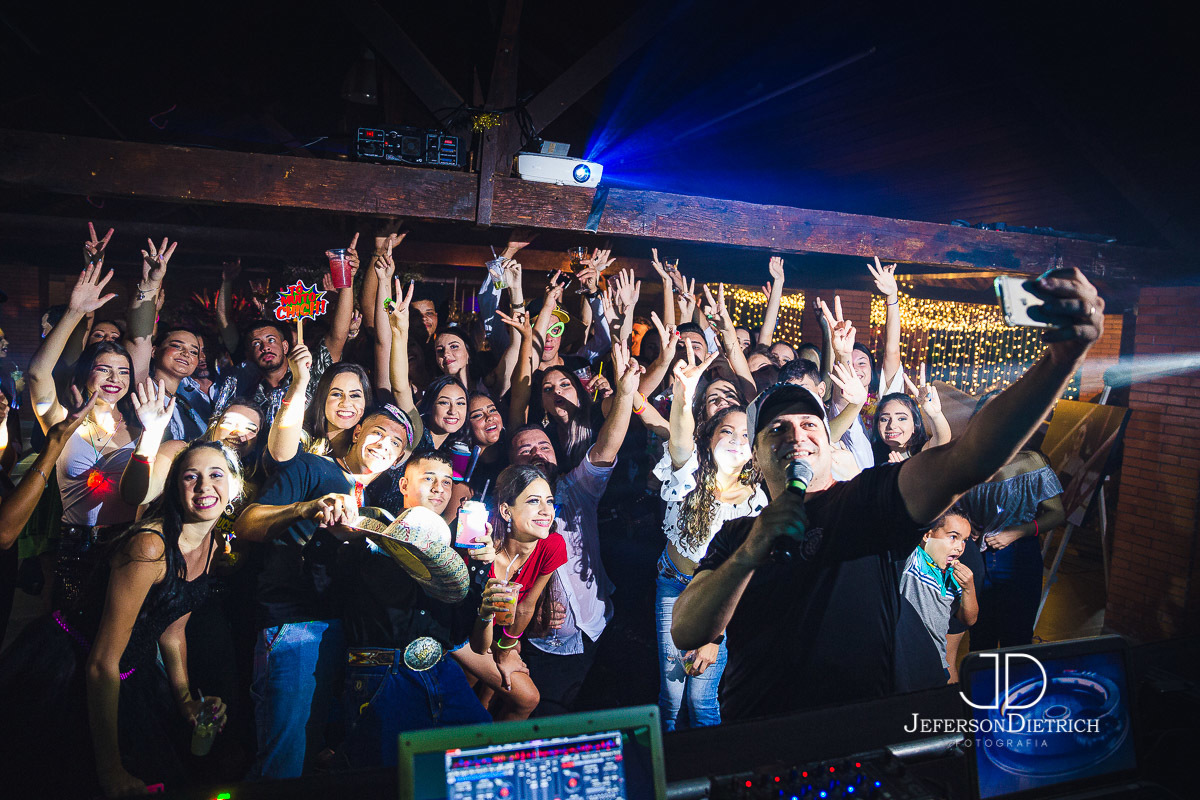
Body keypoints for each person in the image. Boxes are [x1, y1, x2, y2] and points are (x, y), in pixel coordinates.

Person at [671, 267, 1105, 719]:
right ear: (757, 456)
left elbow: (971, 456)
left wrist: (1060, 362)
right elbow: (686, 629)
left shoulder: (866, 501)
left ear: (829, 440)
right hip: (760, 731)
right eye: (777, 428)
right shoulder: (737, 535)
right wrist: (750, 552)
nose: (796, 436)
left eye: (809, 423)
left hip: (858, 729)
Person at [0, 440, 240, 797]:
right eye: (191, 477)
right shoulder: (150, 547)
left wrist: (186, 699)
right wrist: (111, 770)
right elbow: (102, 662)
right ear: (175, 489)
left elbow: (173, 632)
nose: (204, 486)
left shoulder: (213, 545)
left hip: (130, 672)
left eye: (216, 475)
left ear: (234, 486)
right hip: (75, 665)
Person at [232, 405, 413, 778]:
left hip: (340, 634)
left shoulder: (377, 503)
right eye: (378, 432)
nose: (385, 444)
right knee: (284, 761)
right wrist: (304, 508)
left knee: (308, 759)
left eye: (396, 443)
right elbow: (246, 522)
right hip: (295, 626)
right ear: (358, 431)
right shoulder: (312, 467)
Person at [507, 340, 643, 716]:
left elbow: (605, 448)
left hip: (600, 629)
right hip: (547, 647)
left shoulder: (576, 487)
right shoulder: (501, 515)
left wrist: (625, 394)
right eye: (525, 450)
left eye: (543, 447)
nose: (537, 453)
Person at [337, 450, 495, 767]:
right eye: (429, 478)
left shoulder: (456, 549)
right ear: (404, 485)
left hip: (442, 671)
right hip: (385, 674)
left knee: (480, 754)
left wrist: (478, 569)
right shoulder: (365, 542)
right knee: (387, 776)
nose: (439, 488)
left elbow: (457, 633)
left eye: (447, 482)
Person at [652, 345, 765, 730]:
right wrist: (683, 399)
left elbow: (743, 577)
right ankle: (666, 766)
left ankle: (709, 767)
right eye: (726, 431)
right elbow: (680, 443)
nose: (735, 439)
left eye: (745, 435)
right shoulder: (692, 470)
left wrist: (714, 637)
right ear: (710, 437)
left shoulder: (757, 499)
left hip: (719, 601)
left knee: (702, 702)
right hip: (674, 585)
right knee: (671, 699)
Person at [28, 263, 142, 604]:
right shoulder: (62, 421)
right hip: (76, 547)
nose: (115, 378)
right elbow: (37, 375)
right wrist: (75, 312)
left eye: (123, 372)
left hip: (130, 546)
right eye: (103, 369)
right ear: (84, 374)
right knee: (69, 626)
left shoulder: (139, 427)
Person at [453, 463, 567, 720]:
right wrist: (502, 651)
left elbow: (526, 607)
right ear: (506, 511)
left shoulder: (552, 545)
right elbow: (462, 613)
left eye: (549, 501)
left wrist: (506, 649)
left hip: (491, 634)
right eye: (534, 501)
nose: (546, 511)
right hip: (458, 634)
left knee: (505, 697)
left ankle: (487, 740)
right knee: (524, 697)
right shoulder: (479, 547)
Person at [959, 392, 1067, 650]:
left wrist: (1017, 532)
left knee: (1016, 641)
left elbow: (1057, 513)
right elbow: (954, 506)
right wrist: (967, 525)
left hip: (1018, 559)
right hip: (976, 558)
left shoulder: (1031, 462)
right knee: (980, 638)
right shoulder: (966, 458)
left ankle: (1016, 680)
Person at [897, 503, 977, 684]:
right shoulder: (914, 560)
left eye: (964, 540)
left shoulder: (954, 577)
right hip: (906, 660)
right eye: (953, 537)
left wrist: (969, 588)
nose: (960, 547)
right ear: (927, 535)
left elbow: (969, 619)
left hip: (936, 663)